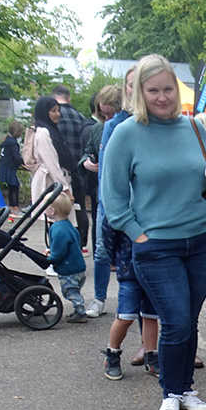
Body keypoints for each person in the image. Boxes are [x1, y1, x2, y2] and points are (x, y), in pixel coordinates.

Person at [100, 54, 206, 410]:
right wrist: (138, 236)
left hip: (201, 239)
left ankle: (185, 388)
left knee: (189, 318)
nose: (162, 96)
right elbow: (113, 197)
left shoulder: (195, 128)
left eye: (168, 89)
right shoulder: (126, 133)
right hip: (156, 246)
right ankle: (171, 390)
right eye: (153, 90)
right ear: (140, 92)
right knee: (175, 321)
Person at [95, 66, 137, 324]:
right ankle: (100, 298)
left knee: (143, 271)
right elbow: (107, 174)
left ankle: (149, 343)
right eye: (131, 84)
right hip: (117, 205)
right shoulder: (114, 126)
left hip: (148, 211)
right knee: (105, 252)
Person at [80, 84, 123, 317]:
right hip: (103, 198)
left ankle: (135, 305)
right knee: (100, 251)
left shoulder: (127, 126)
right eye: (103, 114)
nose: (106, 118)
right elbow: (86, 152)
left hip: (126, 199)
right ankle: (99, 299)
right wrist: (87, 162)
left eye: (110, 113)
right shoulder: (100, 128)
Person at [100, 219, 160, 379]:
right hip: (129, 269)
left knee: (151, 316)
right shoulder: (122, 206)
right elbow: (108, 235)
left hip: (153, 268)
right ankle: (112, 354)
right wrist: (118, 260)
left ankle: (151, 356)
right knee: (125, 316)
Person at [52, 85, 91, 246]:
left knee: (59, 210)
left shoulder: (53, 120)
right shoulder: (81, 118)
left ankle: (62, 245)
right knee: (79, 207)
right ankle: (82, 244)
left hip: (59, 172)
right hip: (79, 171)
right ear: (69, 98)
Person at [43, 193, 88, 323]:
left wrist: (52, 257)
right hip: (78, 266)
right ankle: (78, 310)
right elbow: (70, 244)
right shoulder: (68, 225)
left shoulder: (58, 229)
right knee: (75, 289)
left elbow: (59, 251)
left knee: (70, 291)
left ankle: (80, 312)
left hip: (70, 269)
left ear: (52, 211)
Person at [30, 95, 74, 224]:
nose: (58, 114)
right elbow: (52, 163)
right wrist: (65, 189)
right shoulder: (43, 132)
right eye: (53, 111)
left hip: (57, 181)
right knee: (57, 221)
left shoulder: (53, 131)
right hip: (51, 183)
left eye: (58, 110)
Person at [0, 120, 24, 215]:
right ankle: (16, 209)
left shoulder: (6, 141)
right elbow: (16, 157)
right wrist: (23, 163)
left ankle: (11, 208)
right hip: (10, 168)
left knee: (10, 188)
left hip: (4, 167)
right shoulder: (13, 143)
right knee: (15, 187)